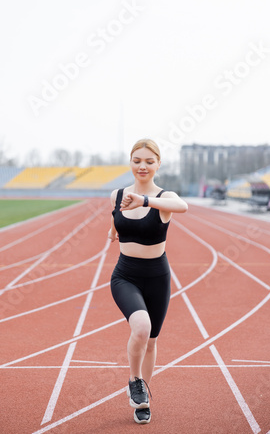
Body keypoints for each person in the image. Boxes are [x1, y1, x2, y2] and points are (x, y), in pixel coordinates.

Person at [108, 138, 188, 424]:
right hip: (125, 275)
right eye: (137, 160)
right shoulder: (117, 194)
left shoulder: (165, 198)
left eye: (149, 161)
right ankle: (135, 381)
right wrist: (113, 230)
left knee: (152, 341)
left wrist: (144, 201)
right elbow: (118, 217)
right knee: (141, 327)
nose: (143, 166)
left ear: (158, 165)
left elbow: (183, 207)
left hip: (157, 276)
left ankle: (142, 400)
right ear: (130, 162)